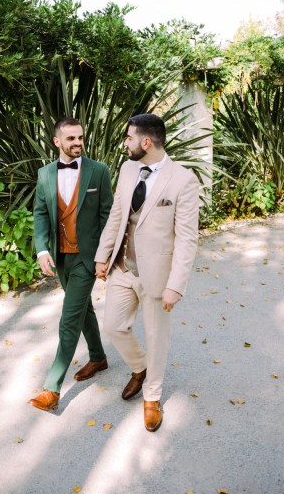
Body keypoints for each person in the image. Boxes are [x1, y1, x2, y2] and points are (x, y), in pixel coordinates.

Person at [95, 113, 199, 432]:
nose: (124, 143)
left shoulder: (183, 180)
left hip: (157, 275)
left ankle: (152, 396)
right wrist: (103, 255)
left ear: (146, 142)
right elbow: (117, 214)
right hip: (123, 267)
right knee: (114, 326)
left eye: (128, 138)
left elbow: (187, 237)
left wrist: (175, 286)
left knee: (156, 338)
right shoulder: (128, 169)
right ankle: (139, 368)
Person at [28, 117, 113, 412]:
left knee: (68, 318)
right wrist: (41, 250)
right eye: (71, 139)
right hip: (60, 257)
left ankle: (52, 388)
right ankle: (99, 357)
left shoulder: (99, 172)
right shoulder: (44, 175)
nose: (77, 143)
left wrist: (105, 256)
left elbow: (108, 217)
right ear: (57, 142)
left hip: (87, 258)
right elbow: (40, 213)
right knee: (82, 309)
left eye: (80, 137)